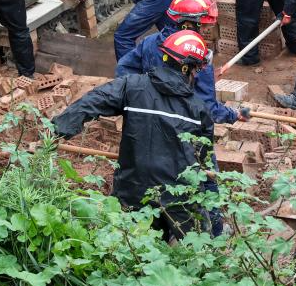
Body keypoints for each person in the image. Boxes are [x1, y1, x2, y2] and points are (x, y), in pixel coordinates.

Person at [53, 30, 216, 243]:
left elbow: (94, 99)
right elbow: (204, 160)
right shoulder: (199, 110)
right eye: (197, 69)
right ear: (187, 68)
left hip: (133, 189)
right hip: (179, 197)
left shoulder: (131, 86)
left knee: (132, 249)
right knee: (202, 252)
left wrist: (59, 129)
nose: (197, 75)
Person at [116, 0, 242, 236]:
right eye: (202, 26)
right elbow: (208, 110)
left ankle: (156, 230)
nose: (204, 31)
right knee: (207, 179)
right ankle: (214, 233)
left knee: (155, 175)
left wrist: (142, 98)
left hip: (152, 128)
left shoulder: (150, 43)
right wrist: (233, 114)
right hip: (187, 132)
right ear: (187, 23)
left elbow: (123, 70)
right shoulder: (198, 55)